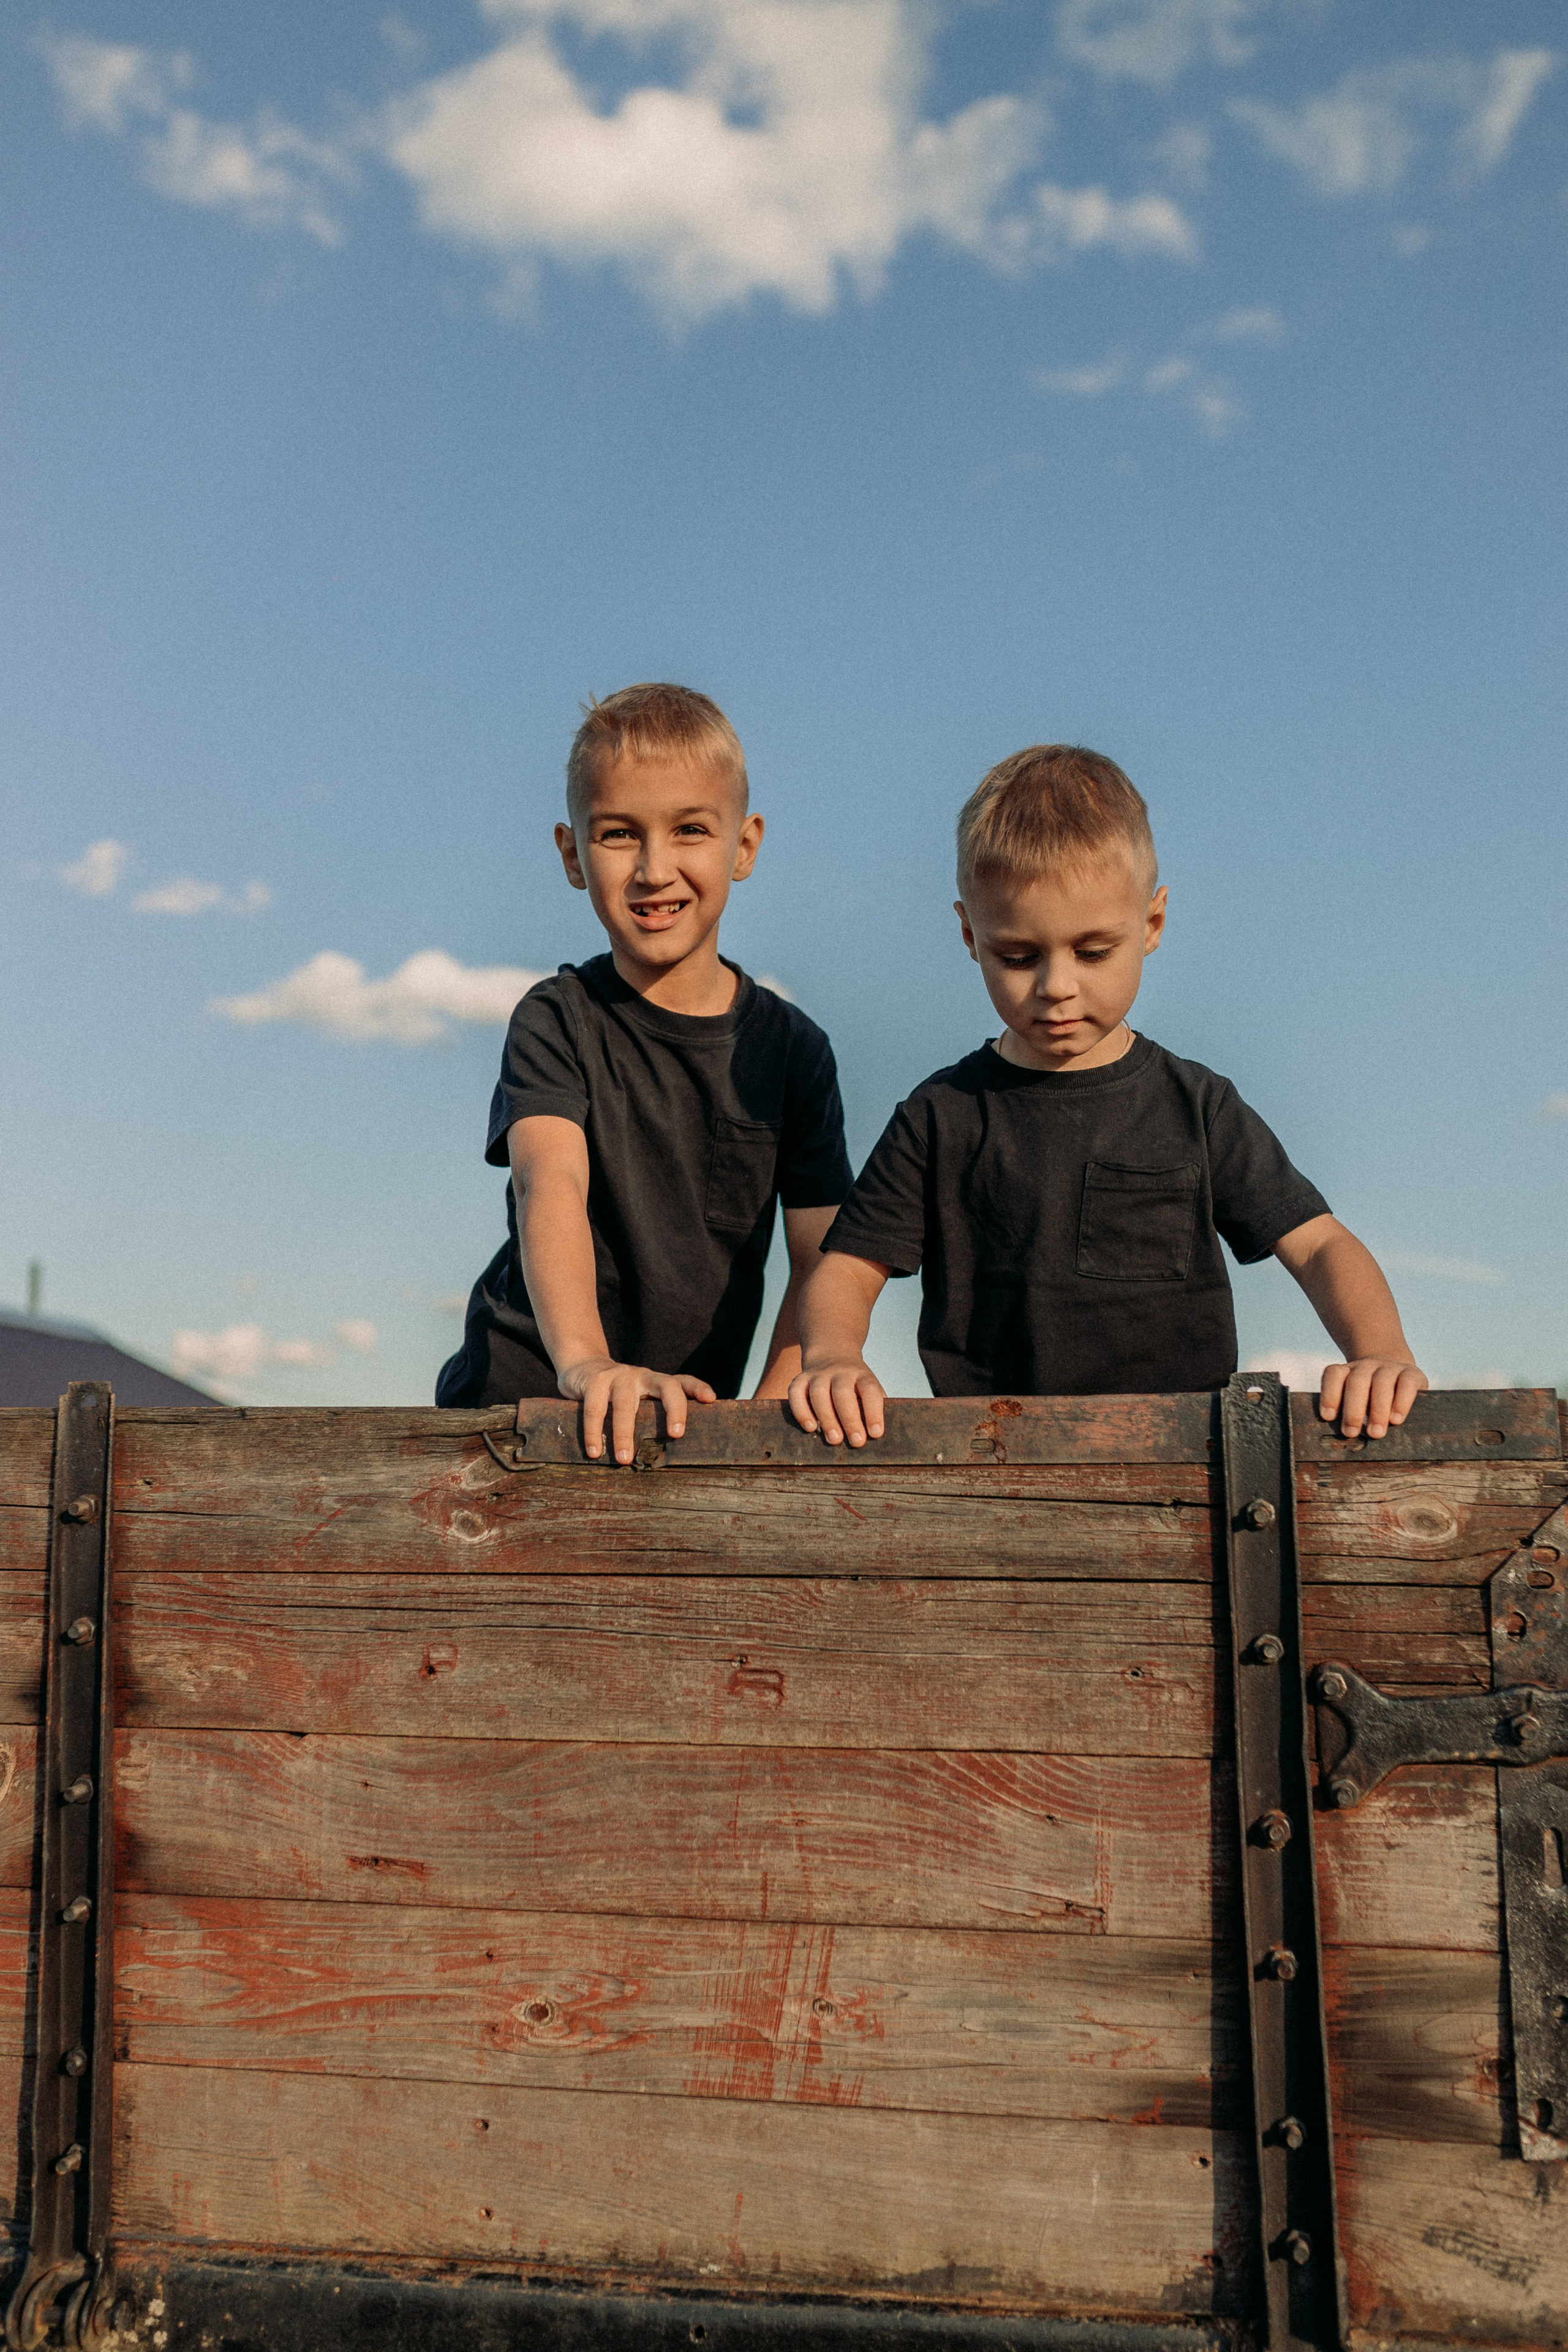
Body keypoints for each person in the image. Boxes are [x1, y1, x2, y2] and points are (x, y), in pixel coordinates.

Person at [788, 742, 1428, 1449]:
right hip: (987, 1464)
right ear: (971, 935)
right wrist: (833, 1358)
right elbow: (846, 1268)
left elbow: (1318, 1245)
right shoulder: (939, 1116)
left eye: (1092, 952)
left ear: (1150, 925)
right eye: (1019, 956)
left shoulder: (1198, 1107)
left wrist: (1380, 1352)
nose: (1055, 985)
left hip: (1182, 1466)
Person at [437, 682, 852, 1463]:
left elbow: (819, 1259)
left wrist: (763, 1427)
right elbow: (548, 1182)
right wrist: (587, 1365)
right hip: (526, 1401)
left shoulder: (795, 1053)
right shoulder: (557, 1018)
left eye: (690, 829)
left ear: (744, 845)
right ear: (572, 854)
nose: (654, 869)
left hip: (680, 1425)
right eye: (620, 835)